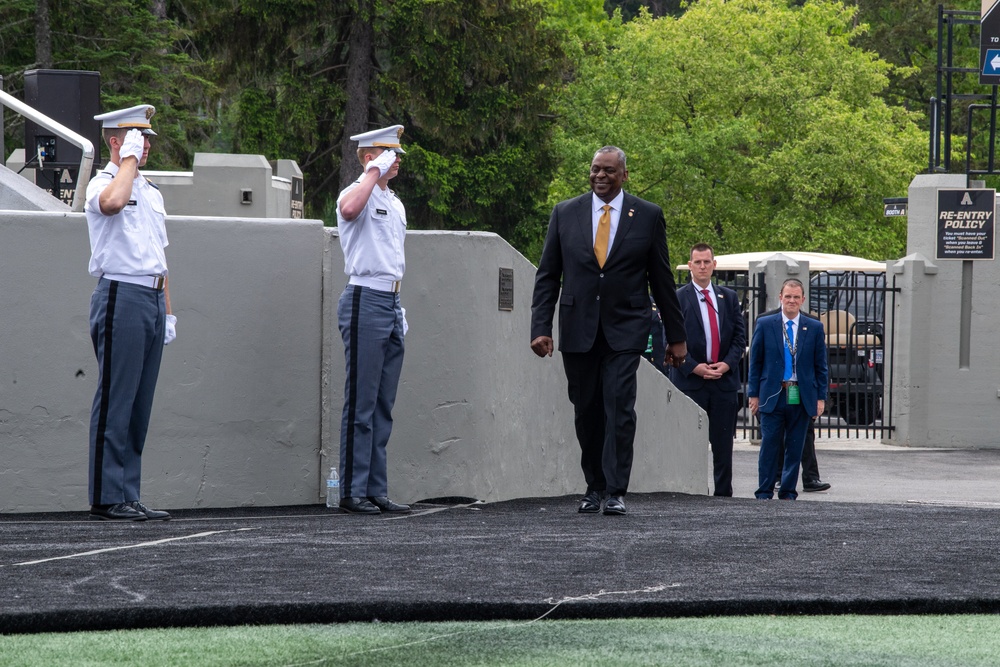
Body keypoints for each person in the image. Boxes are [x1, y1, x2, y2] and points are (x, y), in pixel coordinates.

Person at [530, 146, 687, 516]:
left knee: (619, 406)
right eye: (595, 170)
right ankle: (594, 486)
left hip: (626, 329)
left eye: (609, 171)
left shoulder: (647, 216)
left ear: (624, 175)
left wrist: (677, 337)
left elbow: (662, 280)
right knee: (586, 411)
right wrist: (540, 327)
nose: (600, 176)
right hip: (577, 328)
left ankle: (616, 489)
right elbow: (548, 275)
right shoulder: (565, 213)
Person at [85, 104, 175, 521]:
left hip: (152, 298)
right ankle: (107, 496)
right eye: (139, 137)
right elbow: (113, 204)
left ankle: (129, 491)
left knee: (140, 404)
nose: (148, 144)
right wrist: (128, 160)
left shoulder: (152, 191)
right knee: (116, 400)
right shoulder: (103, 184)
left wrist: (168, 312)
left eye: (149, 137)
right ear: (117, 141)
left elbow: (161, 258)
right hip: (121, 294)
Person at [335, 124, 411, 515]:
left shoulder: (394, 202)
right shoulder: (355, 193)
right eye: (387, 154)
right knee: (361, 404)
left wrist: (398, 308)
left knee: (383, 404)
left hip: (390, 302)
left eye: (396, 155)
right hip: (364, 298)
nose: (395, 160)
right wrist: (371, 172)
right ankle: (352, 489)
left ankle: (376, 488)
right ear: (369, 157)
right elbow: (348, 211)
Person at [669, 243, 745, 497]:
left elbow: (739, 339)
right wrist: (694, 367)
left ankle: (723, 496)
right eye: (697, 262)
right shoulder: (677, 298)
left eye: (707, 262)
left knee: (723, 446)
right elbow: (668, 341)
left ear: (715, 264)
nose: (702, 266)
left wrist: (727, 364)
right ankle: (691, 494)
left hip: (723, 383)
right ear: (690, 265)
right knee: (689, 445)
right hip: (691, 383)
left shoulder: (729, 297)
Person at [748, 278, 828, 500]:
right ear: (780, 297)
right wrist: (753, 394)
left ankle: (788, 492)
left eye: (796, 297)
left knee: (795, 446)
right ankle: (764, 491)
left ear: (802, 299)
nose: (791, 301)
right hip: (773, 394)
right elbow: (755, 362)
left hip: (800, 395)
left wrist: (820, 398)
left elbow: (821, 366)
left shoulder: (813, 327)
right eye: (788, 296)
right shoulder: (765, 324)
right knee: (769, 445)